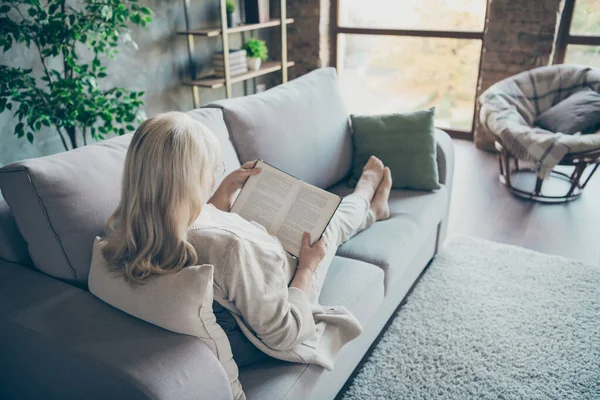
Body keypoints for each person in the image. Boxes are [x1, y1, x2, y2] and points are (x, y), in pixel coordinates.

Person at [99, 111, 392, 368]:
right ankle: (366, 199)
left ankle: (367, 208)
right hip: (272, 312)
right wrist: (306, 268)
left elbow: (189, 230)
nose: (214, 179)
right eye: (210, 172)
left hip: (252, 279)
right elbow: (285, 333)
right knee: (327, 227)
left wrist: (222, 194)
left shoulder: (130, 227)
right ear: (190, 183)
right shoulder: (229, 248)